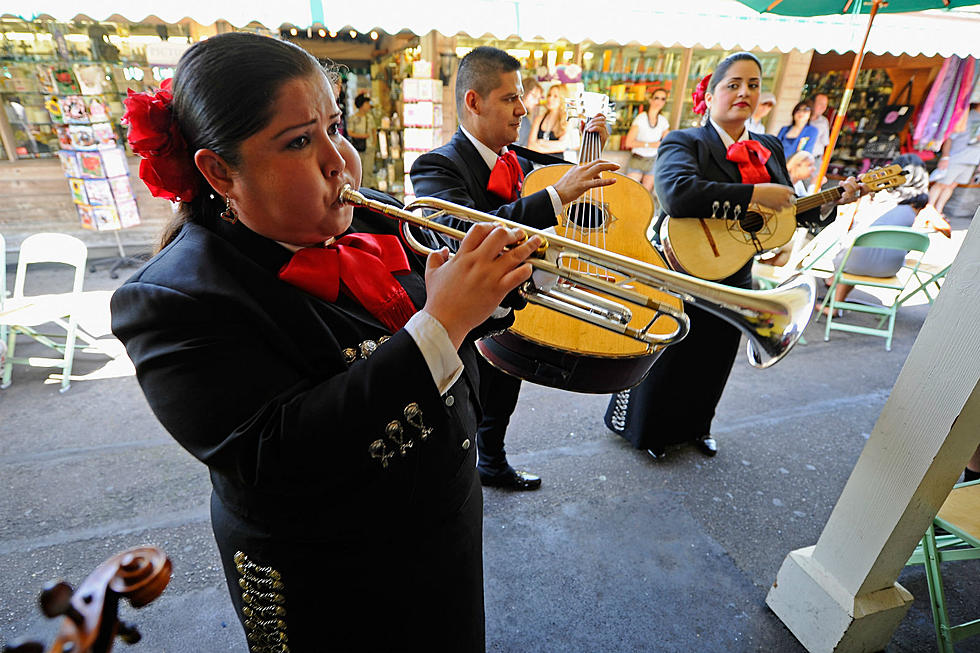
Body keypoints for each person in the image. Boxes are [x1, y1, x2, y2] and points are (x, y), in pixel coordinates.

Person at [110, 33, 544, 651]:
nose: (338, 160)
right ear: (218, 171)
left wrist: (496, 291)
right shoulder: (170, 300)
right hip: (325, 570)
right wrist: (443, 323)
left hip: (443, 519)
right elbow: (275, 456)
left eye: (335, 126)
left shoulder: (375, 215)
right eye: (298, 141)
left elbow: (449, 324)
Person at [604, 51, 863, 459]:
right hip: (681, 267)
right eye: (734, 84)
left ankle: (696, 427)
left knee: (715, 357)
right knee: (669, 355)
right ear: (710, 96)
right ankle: (648, 433)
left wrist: (832, 203)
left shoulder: (769, 146)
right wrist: (754, 194)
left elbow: (788, 214)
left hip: (737, 269)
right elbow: (675, 194)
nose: (745, 91)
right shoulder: (684, 140)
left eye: (754, 84)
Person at [411, 46, 617, 490]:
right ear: (473, 101)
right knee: (466, 409)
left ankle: (494, 463)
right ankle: (459, 484)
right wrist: (555, 197)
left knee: (503, 398)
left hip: (515, 311)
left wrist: (591, 145)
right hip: (466, 323)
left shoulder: (523, 160)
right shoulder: (435, 164)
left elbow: (585, 213)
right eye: (510, 99)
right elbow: (460, 230)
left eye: (521, 98)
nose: (523, 110)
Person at [928, 102, 980, 217]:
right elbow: (949, 138)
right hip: (956, 157)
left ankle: (938, 211)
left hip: (972, 160)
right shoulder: (966, 116)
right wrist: (945, 156)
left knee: (951, 185)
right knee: (941, 183)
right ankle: (928, 210)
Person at [623, 87, 670, 192]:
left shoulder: (663, 121)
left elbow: (668, 142)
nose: (659, 101)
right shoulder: (641, 118)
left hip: (653, 160)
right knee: (630, 191)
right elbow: (629, 142)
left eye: (663, 99)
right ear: (651, 100)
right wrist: (650, 144)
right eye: (657, 98)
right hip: (638, 159)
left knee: (645, 195)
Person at [528, 83, 573, 155]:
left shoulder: (566, 121)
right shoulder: (538, 119)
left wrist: (541, 142)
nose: (550, 99)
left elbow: (562, 146)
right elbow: (530, 146)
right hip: (538, 164)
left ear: (562, 99)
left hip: (557, 165)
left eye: (555, 96)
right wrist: (553, 145)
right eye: (549, 95)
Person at [348, 93, 376, 187]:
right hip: (358, 148)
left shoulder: (370, 117)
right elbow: (350, 132)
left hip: (369, 148)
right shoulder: (353, 118)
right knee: (358, 170)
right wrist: (362, 136)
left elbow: (373, 131)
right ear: (361, 105)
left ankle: (367, 192)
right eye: (367, 103)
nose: (369, 105)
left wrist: (374, 143)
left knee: (368, 170)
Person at [517, 76, 543, 147]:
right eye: (534, 96)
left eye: (538, 99)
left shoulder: (526, 121)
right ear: (524, 92)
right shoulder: (517, 117)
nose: (537, 102)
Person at [809, 92, 832, 163]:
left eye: (825, 105)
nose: (823, 107)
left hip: (815, 159)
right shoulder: (802, 117)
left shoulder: (824, 122)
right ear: (812, 103)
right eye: (820, 104)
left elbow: (825, 142)